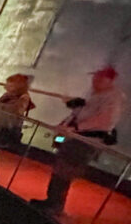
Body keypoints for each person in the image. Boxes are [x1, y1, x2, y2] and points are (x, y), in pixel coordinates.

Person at [31, 66, 124, 215]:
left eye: (100, 78)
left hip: (85, 140)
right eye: (95, 77)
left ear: (110, 80)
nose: (95, 80)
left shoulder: (113, 98)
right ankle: (52, 201)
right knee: (61, 168)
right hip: (75, 137)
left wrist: (76, 127)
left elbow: (104, 120)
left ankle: (55, 205)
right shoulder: (95, 94)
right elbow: (79, 112)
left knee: (65, 170)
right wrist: (66, 124)